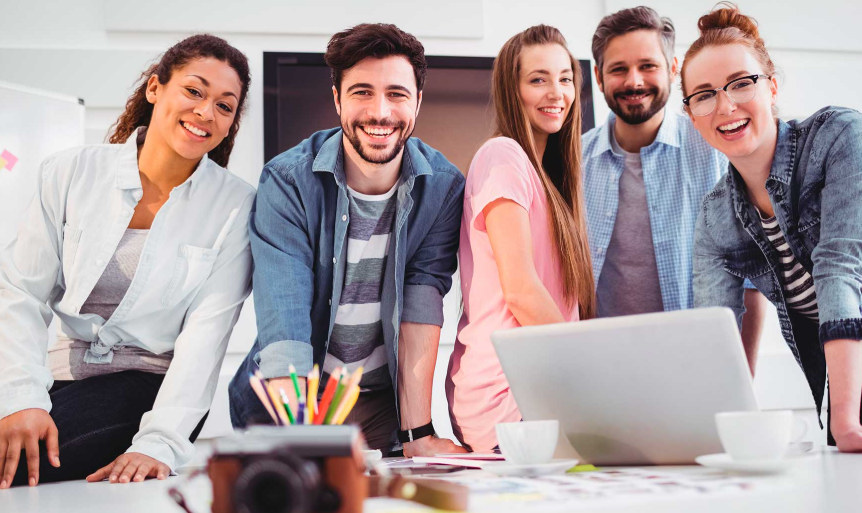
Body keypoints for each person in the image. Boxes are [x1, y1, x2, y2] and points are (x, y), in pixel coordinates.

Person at [0, 34, 255, 487]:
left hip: (149, 391)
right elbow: (21, 291)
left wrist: (158, 442)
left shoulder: (235, 207)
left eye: (224, 105)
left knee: (16, 465)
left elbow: (205, 338)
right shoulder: (70, 172)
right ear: (155, 89)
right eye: (194, 91)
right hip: (58, 378)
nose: (205, 113)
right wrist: (22, 398)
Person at [228, 23, 466, 457]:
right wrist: (303, 438)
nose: (380, 112)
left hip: (378, 414)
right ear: (337, 99)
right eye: (361, 92)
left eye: (396, 93)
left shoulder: (445, 187)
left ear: (417, 102)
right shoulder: (286, 181)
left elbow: (421, 301)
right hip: (285, 406)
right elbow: (286, 314)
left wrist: (417, 436)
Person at [686, 4, 862, 451]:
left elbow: (838, 267)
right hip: (844, 391)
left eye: (741, 84)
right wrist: (711, 436)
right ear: (692, 114)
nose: (725, 105)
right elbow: (715, 337)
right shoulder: (715, 219)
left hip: (847, 400)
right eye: (704, 94)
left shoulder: (839, 137)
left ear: (772, 87)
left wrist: (843, 421)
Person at [582, 6, 767, 370]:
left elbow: (751, 281)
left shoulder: (716, 151)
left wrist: (740, 385)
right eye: (619, 68)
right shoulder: (571, 163)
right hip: (599, 375)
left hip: (696, 373)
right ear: (598, 77)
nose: (634, 81)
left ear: (671, 68)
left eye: (647, 66)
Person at [446, 25, 596, 452]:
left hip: (539, 390)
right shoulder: (503, 155)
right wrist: (593, 370)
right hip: (508, 397)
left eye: (565, 78)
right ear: (512, 90)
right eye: (538, 79)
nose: (556, 92)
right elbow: (522, 292)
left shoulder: (551, 176)